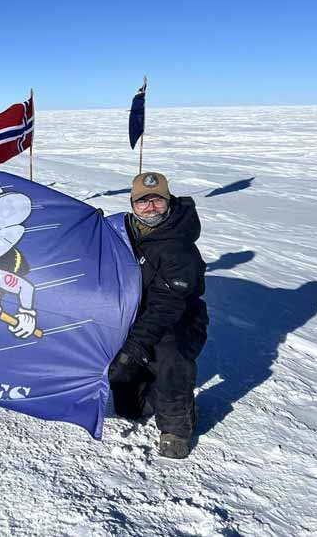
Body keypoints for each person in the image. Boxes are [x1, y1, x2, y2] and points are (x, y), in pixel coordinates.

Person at [109, 172, 208, 459]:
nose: (150, 207)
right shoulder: (125, 230)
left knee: (169, 355)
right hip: (136, 313)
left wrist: (134, 349)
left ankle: (177, 427)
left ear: (169, 201)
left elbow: (167, 306)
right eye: (143, 201)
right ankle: (152, 386)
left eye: (157, 200)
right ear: (132, 204)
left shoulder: (180, 247)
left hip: (179, 319)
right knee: (130, 409)